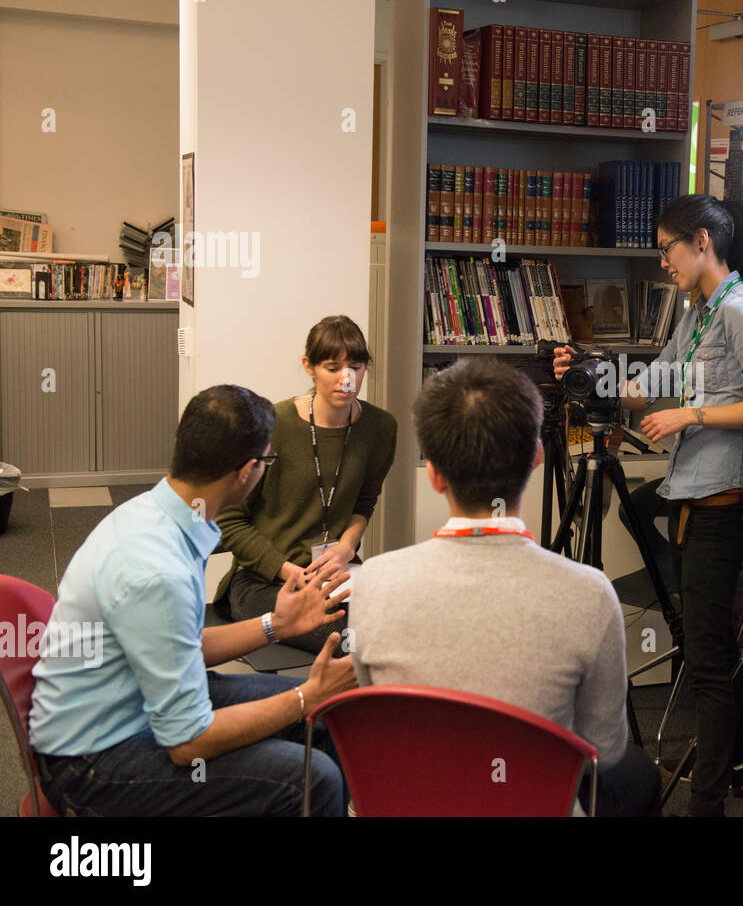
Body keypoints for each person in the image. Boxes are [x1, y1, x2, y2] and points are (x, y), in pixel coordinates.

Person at [555, 194, 743, 816]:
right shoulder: (698, 315)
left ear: (703, 242)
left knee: (710, 662)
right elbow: (647, 386)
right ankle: (724, 769)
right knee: (706, 649)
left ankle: (707, 804)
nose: (663, 262)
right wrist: (590, 371)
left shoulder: (741, 311)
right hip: (690, 493)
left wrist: (693, 412)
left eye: (667, 248)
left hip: (721, 502)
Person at [348, 357, 661, 817]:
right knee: (637, 774)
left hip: (412, 803)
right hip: (534, 802)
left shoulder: (373, 580)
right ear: (536, 458)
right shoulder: (591, 594)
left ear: (434, 473)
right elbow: (603, 750)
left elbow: (377, 713)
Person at [28, 385, 357, 816]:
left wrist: (275, 624)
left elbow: (182, 645)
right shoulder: (157, 569)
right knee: (311, 777)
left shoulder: (157, 514)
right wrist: (303, 698)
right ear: (246, 472)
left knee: (330, 715)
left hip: (132, 705)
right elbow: (188, 743)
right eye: (268, 461)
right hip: (92, 761)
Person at [215, 315, 397, 652]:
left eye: (356, 367)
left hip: (338, 576)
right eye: (332, 367)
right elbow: (229, 521)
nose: (347, 379)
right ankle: (319, 703)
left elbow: (363, 505)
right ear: (308, 367)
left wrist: (346, 547)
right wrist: (292, 574)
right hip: (265, 581)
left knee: (400, 622)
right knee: (352, 640)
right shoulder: (271, 424)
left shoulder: (380, 428)